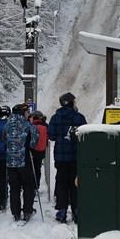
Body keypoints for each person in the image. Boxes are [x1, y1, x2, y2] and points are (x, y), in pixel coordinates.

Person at [48, 92, 87, 223]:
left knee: (61, 184)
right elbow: (86, 135)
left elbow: (51, 136)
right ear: (70, 102)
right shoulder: (79, 118)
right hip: (76, 157)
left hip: (60, 157)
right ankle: (76, 211)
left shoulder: (55, 118)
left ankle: (62, 211)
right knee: (75, 184)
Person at [4, 103, 40, 222]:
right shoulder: (28, 125)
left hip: (10, 161)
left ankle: (15, 212)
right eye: (27, 112)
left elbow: (3, 138)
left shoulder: (7, 125)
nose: (28, 114)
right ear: (22, 113)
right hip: (25, 160)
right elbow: (34, 141)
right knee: (28, 186)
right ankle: (27, 210)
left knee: (14, 187)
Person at [28, 111, 48, 187]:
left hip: (32, 150)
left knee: (30, 169)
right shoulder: (45, 126)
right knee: (37, 168)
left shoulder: (31, 126)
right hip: (41, 151)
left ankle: (31, 185)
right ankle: (36, 185)